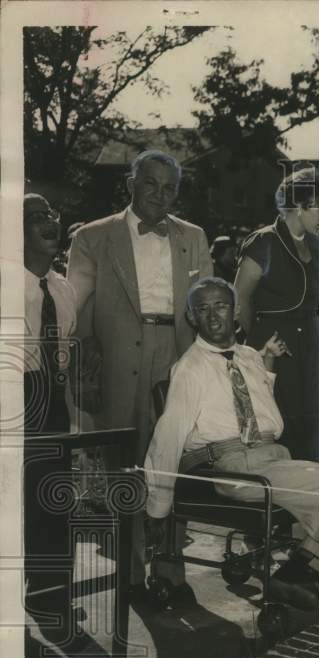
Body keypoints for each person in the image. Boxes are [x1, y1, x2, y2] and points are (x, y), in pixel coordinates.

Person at [144, 277, 319, 611]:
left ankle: (299, 569)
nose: (214, 315)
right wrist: (158, 505)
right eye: (202, 309)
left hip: (271, 457)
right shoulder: (190, 370)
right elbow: (168, 436)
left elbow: (259, 405)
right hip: (233, 466)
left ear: (235, 310)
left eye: (221, 304)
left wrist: (268, 366)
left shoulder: (248, 356)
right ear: (192, 317)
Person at [67, 149, 213, 599]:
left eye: (169, 188)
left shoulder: (193, 236)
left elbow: (205, 303)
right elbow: (77, 306)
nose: (159, 195)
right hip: (115, 357)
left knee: (177, 462)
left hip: (178, 355)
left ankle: (170, 570)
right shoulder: (94, 236)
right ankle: (129, 575)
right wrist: (85, 363)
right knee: (124, 467)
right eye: (150, 184)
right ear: (131, 182)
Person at [234, 167, 319, 462]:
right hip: (273, 342)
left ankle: (310, 480)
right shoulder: (264, 242)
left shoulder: (317, 245)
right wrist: (258, 337)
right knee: (276, 416)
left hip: (311, 338)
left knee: (312, 417)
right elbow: (239, 300)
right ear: (299, 204)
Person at [21, 194, 77, 629]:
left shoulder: (61, 286)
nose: (48, 223)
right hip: (11, 398)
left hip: (52, 402)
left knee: (53, 500)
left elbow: (64, 354)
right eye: (35, 216)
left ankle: (50, 597)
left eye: (51, 214)